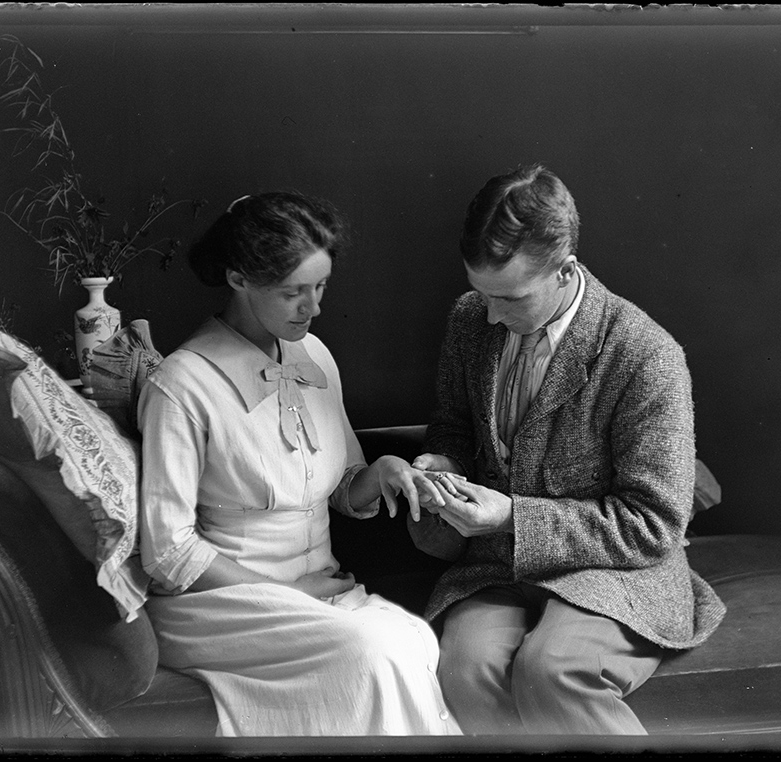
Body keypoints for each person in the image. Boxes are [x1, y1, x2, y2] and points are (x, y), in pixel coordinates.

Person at [409, 164, 727, 735]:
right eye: (480, 293)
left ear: (565, 271)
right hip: (498, 566)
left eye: (510, 298)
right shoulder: (471, 320)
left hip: (615, 570)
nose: (491, 315)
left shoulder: (644, 354)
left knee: (551, 669)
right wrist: (444, 465)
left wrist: (509, 515)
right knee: (464, 666)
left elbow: (651, 524)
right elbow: (454, 424)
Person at [137, 191, 460, 737]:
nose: (313, 308)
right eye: (293, 293)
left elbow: (341, 488)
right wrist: (288, 595)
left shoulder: (315, 356)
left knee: (413, 640)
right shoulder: (181, 386)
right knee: (374, 655)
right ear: (238, 278)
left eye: (321, 286)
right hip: (222, 606)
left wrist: (378, 474)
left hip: (318, 587)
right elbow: (168, 553)